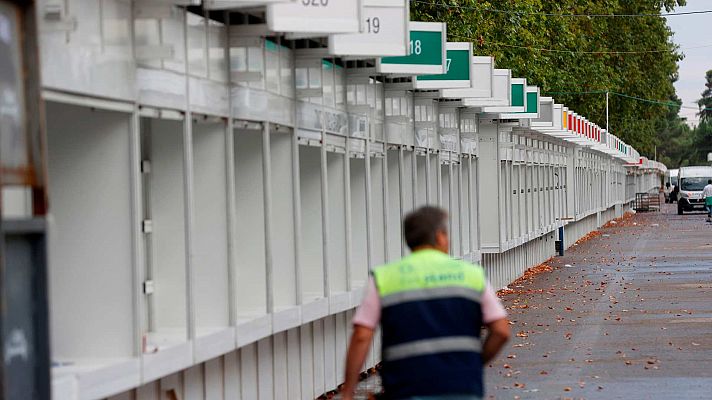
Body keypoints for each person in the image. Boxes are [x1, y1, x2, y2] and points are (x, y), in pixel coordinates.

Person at [340, 206, 511, 400]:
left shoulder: (384, 278)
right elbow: (501, 331)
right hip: (463, 386)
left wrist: (348, 391)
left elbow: (362, 336)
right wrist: (474, 363)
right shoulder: (472, 276)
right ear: (439, 237)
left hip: (405, 388)